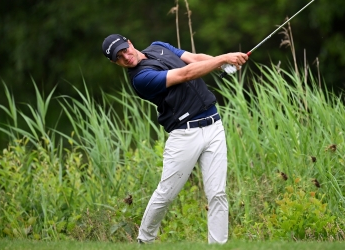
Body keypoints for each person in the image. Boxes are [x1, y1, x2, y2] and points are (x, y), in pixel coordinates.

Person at [101, 34, 248, 244]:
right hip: (185, 134)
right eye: (119, 57)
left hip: (214, 126)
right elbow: (186, 74)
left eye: (125, 49)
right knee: (166, 194)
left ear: (130, 43)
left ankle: (218, 246)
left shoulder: (158, 46)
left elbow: (195, 60)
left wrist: (221, 64)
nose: (126, 56)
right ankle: (145, 240)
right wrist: (223, 58)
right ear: (115, 62)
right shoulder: (140, 79)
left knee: (217, 193)